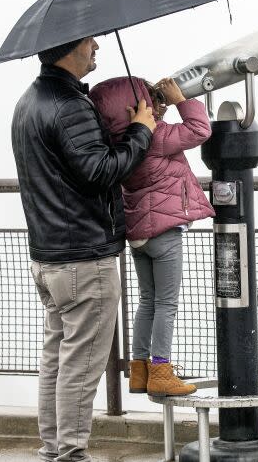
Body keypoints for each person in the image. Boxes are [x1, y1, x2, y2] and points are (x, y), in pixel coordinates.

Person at [11, 36, 156, 462]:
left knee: (57, 359)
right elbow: (99, 171)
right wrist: (142, 132)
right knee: (81, 364)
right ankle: (71, 454)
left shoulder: (29, 101)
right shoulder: (69, 105)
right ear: (69, 47)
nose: (97, 47)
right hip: (83, 259)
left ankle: (52, 449)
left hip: (49, 256)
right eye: (90, 42)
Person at [89, 76, 215, 397]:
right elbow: (200, 130)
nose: (157, 106)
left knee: (147, 300)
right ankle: (161, 369)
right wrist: (181, 99)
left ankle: (139, 368)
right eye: (151, 100)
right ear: (136, 107)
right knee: (167, 304)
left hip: (138, 235)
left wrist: (157, 107)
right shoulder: (158, 136)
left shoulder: (121, 144)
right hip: (164, 232)